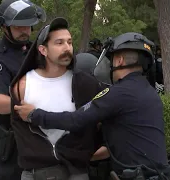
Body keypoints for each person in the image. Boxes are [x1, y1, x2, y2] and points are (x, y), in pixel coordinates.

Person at [14, 32, 170, 180]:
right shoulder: (149, 93)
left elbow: (75, 120)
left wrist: (34, 114)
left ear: (119, 61)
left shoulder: (118, 94)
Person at [10, 17, 106, 180]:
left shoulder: (85, 84)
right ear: (43, 50)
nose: (67, 48)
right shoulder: (23, 85)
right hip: (35, 173)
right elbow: (18, 129)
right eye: (59, 43)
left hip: (75, 173)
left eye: (69, 42)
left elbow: (100, 123)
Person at [0, 0, 46, 179]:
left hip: (37, 141)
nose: (25, 30)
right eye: (19, 26)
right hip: (10, 145)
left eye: (28, 25)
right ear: (4, 26)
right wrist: (38, 106)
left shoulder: (37, 51)